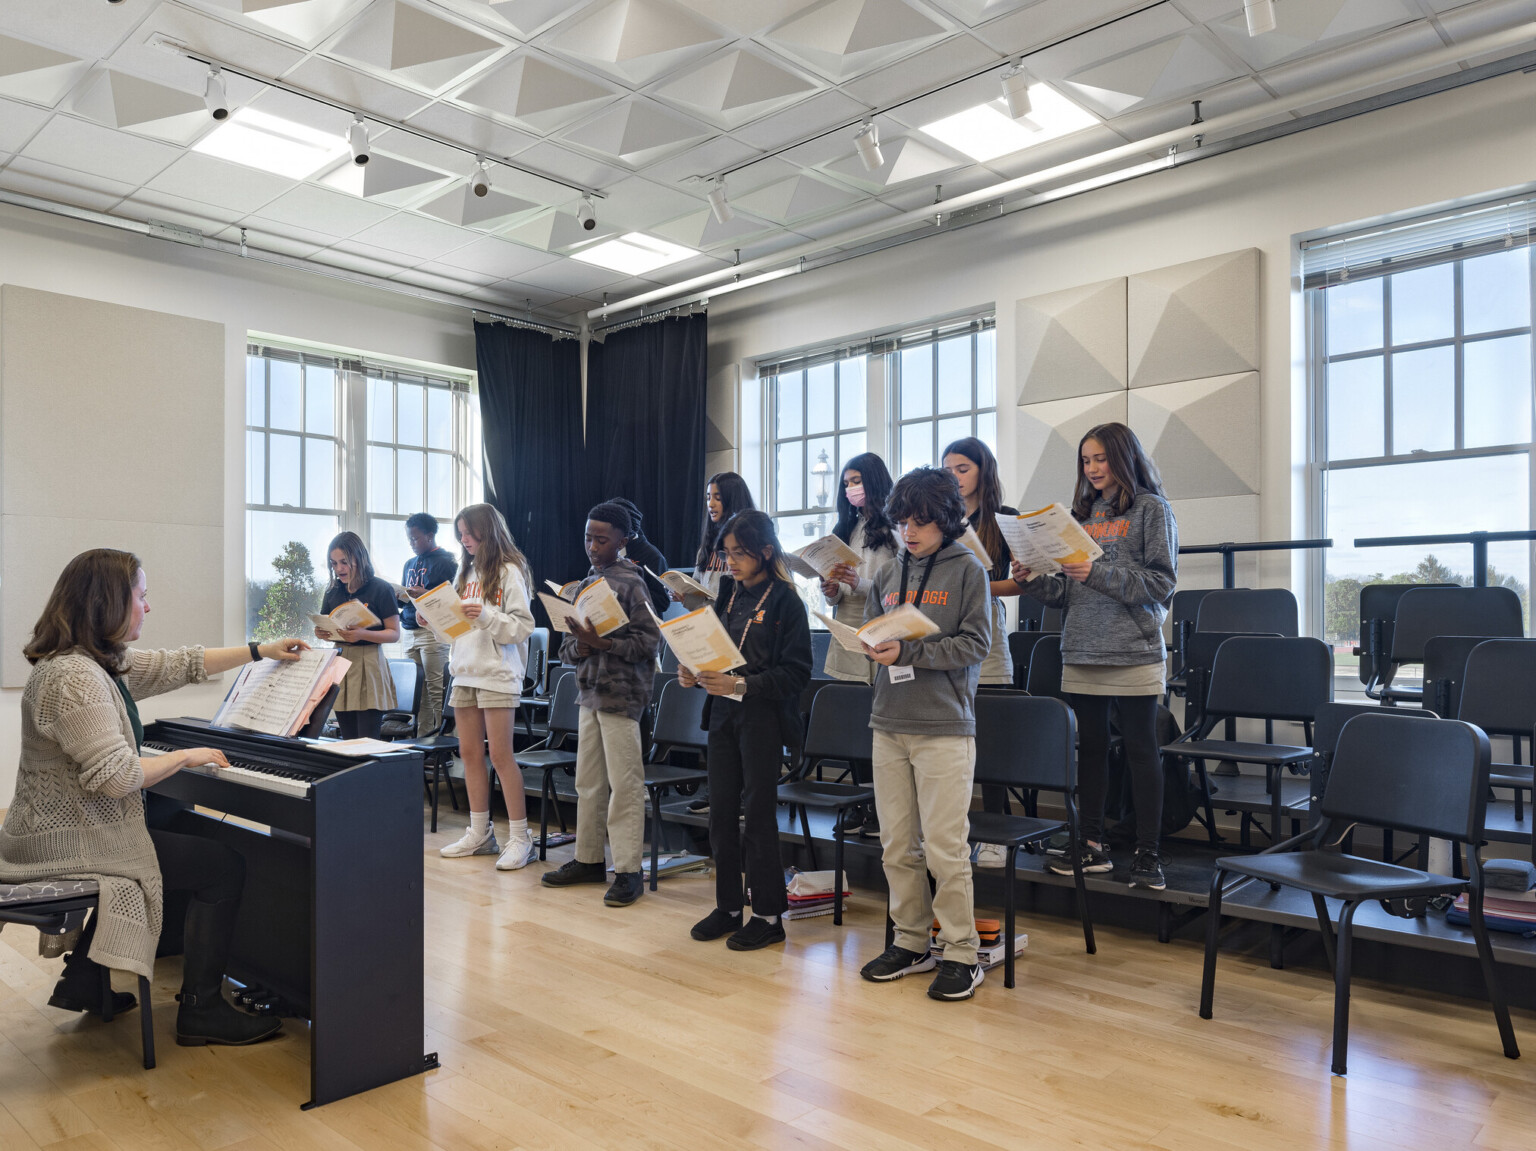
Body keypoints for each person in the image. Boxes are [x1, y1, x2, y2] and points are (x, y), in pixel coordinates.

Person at [0, 548, 306, 1045]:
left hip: (66, 827)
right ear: (107, 603)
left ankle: (85, 979)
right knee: (223, 864)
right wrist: (186, 757)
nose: (148, 606)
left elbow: (180, 664)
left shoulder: (93, 663)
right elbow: (118, 777)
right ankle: (201, 1010)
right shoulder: (74, 678)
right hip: (65, 842)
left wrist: (260, 651)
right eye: (141, 596)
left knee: (173, 818)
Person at [1012, 422, 1178, 892]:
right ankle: (1092, 844)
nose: (1092, 468)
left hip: (1132, 648)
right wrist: (1031, 580)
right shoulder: (1078, 516)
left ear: (1123, 458)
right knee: (1092, 752)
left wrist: (1097, 573)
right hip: (1083, 646)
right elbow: (1066, 591)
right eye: (1086, 460)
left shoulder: (1152, 510)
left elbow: (1162, 582)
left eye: (1100, 458)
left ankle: (1149, 853)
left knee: (1143, 751)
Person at [858, 468, 992, 1001]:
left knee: (944, 847)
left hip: (943, 728)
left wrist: (909, 651)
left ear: (946, 519)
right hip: (888, 723)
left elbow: (975, 646)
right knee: (896, 846)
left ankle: (962, 952)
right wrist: (868, 645)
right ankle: (911, 941)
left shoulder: (968, 572)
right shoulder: (890, 571)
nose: (909, 532)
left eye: (920, 522)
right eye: (902, 522)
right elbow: (872, 634)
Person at [682, 510, 812, 952]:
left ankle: (769, 915)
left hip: (763, 718)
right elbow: (716, 651)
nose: (732, 562)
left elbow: (796, 674)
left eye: (740, 553)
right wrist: (693, 671)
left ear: (766, 552)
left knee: (757, 816)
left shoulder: (787, 602)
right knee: (720, 813)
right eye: (727, 553)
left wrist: (742, 684)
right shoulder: (727, 596)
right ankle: (729, 907)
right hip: (722, 713)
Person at [542, 502, 661, 907]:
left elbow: (649, 642)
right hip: (589, 690)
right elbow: (567, 647)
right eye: (588, 537)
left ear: (623, 541)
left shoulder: (632, 583)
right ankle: (588, 858)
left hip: (622, 694)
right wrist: (579, 643)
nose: (592, 546)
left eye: (602, 539)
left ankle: (629, 870)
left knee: (625, 784)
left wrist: (602, 643)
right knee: (588, 780)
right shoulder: (586, 582)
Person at [437, 503, 539, 870]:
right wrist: (431, 618)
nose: (463, 540)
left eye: (467, 532)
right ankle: (480, 832)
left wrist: (486, 614)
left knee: (500, 755)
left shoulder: (510, 570)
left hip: (497, 672)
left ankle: (520, 837)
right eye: (460, 534)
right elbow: (452, 626)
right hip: (464, 670)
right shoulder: (466, 571)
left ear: (486, 530)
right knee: (468, 754)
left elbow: (522, 626)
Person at [942, 437, 1023, 869]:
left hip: (987, 630)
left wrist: (974, 586)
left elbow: (1022, 583)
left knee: (990, 739)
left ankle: (997, 835)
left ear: (982, 471)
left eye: (962, 469)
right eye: (948, 469)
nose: (954, 477)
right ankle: (956, 831)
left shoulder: (1004, 519)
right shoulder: (940, 520)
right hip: (944, 631)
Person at [819, 453, 898, 840]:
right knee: (854, 721)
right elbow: (842, 590)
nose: (851, 488)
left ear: (874, 481)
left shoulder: (896, 526)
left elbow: (898, 589)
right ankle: (861, 805)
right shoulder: (846, 527)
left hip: (882, 631)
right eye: (846, 482)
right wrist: (832, 589)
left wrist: (860, 583)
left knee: (879, 727)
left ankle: (882, 810)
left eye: (857, 480)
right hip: (848, 629)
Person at [320, 531, 399, 739]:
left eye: (344, 562)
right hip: (341, 661)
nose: (339, 569)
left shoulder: (380, 588)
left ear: (359, 558)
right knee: (348, 740)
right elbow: (327, 624)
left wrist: (363, 634)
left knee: (367, 740)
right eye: (334, 563)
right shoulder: (332, 591)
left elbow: (394, 634)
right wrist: (322, 632)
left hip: (369, 660)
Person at [396, 513, 458, 738]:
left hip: (432, 633)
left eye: (415, 538)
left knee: (436, 690)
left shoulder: (447, 562)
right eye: (409, 539)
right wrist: (397, 595)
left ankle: (444, 745)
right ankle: (422, 744)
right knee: (416, 693)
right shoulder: (409, 564)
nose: (411, 543)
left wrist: (426, 594)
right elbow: (403, 600)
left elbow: (455, 600)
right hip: (409, 630)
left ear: (429, 536)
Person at [684, 472, 754, 608]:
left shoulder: (749, 548)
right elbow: (697, 588)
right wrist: (684, 596)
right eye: (708, 498)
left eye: (718, 498)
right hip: (708, 624)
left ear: (733, 500)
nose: (710, 504)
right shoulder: (706, 548)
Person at [609, 496, 671, 618]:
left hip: (643, 629)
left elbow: (662, 602)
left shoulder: (653, 557)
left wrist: (629, 593)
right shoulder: (609, 550)